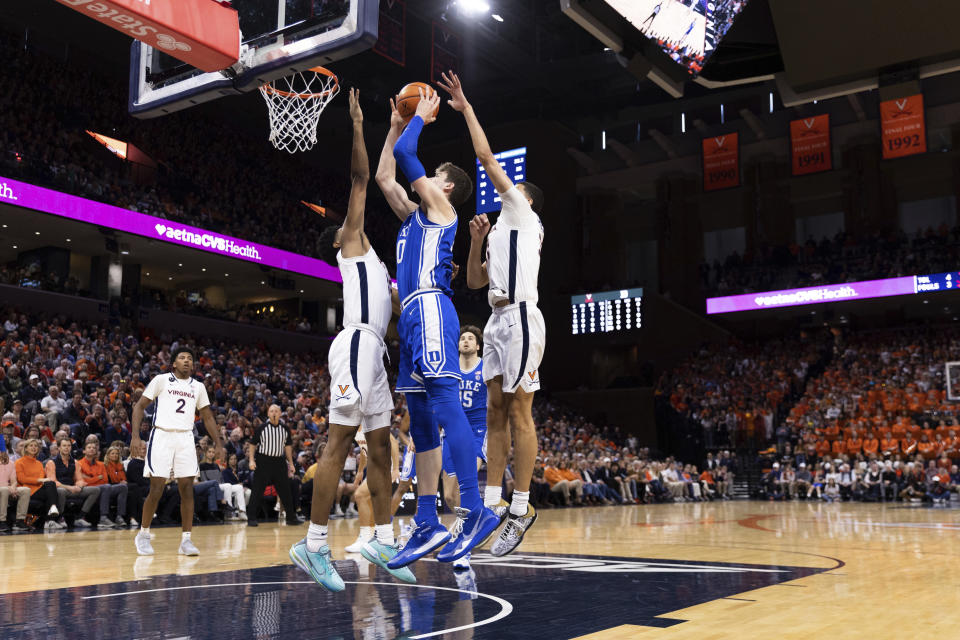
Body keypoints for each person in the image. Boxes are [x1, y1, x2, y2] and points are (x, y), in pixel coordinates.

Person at [290, 90, 412, 592]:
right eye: (343, 226)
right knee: (339, 442)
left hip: (376, 354)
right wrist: (361, 126)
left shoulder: (374, 264)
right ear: (338, 242)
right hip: (357, 345)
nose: (350, 222)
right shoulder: (352, 248)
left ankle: (383, 537)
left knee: (380, 449)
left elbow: (398, 311)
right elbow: (362, 177)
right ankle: (313, 544)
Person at [375, 84, 496, 569]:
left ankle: (475, 509)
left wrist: (419, 119)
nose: (425, 178)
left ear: (443, 187)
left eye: (432, 176)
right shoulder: (414, 217)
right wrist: (391, 130)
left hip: (429, 307)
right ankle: (427, 522)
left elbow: (408, 155)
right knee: (421, 419)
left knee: (445, 404)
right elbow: (387, 173)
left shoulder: (443, 210)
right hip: (412, 316)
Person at [441, 71, 546, 557]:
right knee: (495, 413)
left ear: (526, 201)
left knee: (519, 408)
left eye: (516, 188)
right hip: (498, 320)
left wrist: (465, 107)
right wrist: (478, 241)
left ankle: (522, 507)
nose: (509, 190)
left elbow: (484, 157)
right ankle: (491, 503)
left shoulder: (524, 216)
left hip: (523, 317)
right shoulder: (502, 232)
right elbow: (474, 283)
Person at [131, 346, 223, 556]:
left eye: (190, 358)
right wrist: (135, 437)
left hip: (185, 437)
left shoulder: (198, 386)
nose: (186, 361)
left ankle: (186, 541)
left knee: (187, 489)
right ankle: (143, 534)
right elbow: (138, 407)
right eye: (182, 358)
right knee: (156, 488)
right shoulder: (161, 380)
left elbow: (207, 417)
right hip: (162, 435)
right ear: (173, 363)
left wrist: (218, 443)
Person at [437, 325, 490, 567]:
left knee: (464, 484)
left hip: (477, 431)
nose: (466, 341)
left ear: (478, 345)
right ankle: (468, 522)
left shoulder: (486, 367)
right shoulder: (449, 368)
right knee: (449, 494)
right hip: (451, 431)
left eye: (471, 338)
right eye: (463, 338)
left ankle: (464, 540)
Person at [246, 404, 300, 528]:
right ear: (268, 414)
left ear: (280, 413)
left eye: (276, 411)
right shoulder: (262, 428)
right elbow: (253, 444)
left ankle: (291, 518)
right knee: (257, 490)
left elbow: (287, 447)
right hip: (263, 460)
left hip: (279, 462)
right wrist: (251, 460)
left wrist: (291, 463)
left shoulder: (285, 429)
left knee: (285, 490)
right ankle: (252, 518)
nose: (274, 413)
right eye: (271, 411)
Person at [46, 436, 98, 528]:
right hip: (60, 489)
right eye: (64, 446)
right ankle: (59, 518)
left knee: (95, 490)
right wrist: (70, 487)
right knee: (60, 491)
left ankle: (80, 517)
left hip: (73, 489)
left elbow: (80, 479)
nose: (67, 448)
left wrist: (79, 486)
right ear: (59, 447)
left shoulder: (75, 462)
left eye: (69, 446)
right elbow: (53, 482)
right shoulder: (51, 462)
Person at [15, 438, 60, 528]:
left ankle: (50, 516)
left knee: (51, 484)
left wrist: (41, 481)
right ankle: (50, 518)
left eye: (36, 446)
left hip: (39, 489)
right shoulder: (19, 462)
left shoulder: (39, 463)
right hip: (27, 490)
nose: (34, 448)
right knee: (50, 490)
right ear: (26, 448)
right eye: (31, 446)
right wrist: (39, 480)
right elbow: (22, 479)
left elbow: (42, 478)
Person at [0, 449, 31, 531]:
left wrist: (13, 488)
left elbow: (14, 481)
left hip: (7, 488)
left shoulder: (10, 463)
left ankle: (19, 521)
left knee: (26, 490)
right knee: (4, 490)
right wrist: (8, 488)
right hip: (4, 489)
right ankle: (1, 521)